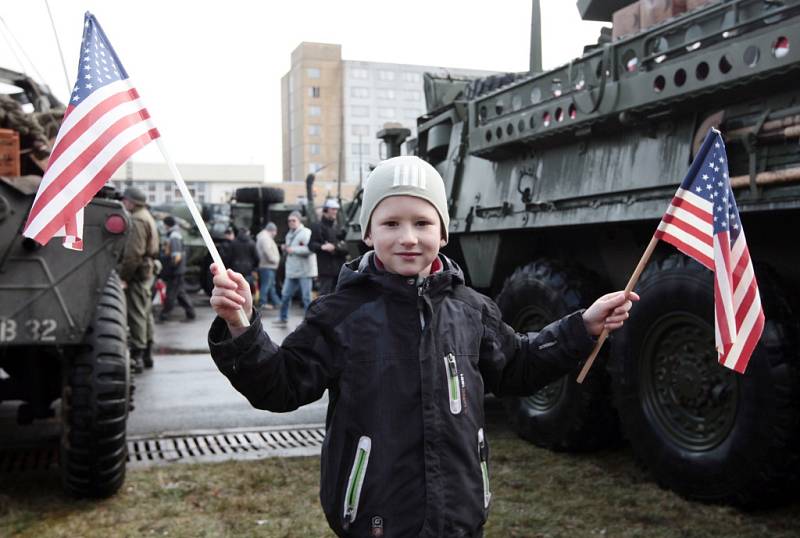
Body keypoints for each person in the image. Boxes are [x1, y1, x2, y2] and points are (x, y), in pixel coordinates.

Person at [207, 156, 638, 537]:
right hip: (374, 519)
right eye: (391, 223)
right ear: (369, 234)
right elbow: (280, 386)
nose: (408, 237)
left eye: (422, 222)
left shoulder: (472, 309)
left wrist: (581, 327)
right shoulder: (340, 314)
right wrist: (240, 327)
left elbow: (518, 366)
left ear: (444, 232)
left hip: (460, 516)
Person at [118, 187, 159, 373]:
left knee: (136, 314)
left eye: (125, 200)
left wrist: (123, 277)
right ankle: (147, 352)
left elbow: (133, 254)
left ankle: (138, 356)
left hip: (137, 273)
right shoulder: (146, 215)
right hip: (146, 271)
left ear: (131, 202)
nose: (123, 202)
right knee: (144, 311)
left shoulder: (137, 219)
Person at [273, 211, 317, 326]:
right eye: (289, 221)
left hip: (304, 271)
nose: (291, 223)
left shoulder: (306, 233)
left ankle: (310, 320)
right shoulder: (289, 234)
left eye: (293, 220)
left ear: (299, 221)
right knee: (285, 295)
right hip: (292, 271)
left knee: (306, 297)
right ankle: (283, 317)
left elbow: (310, 250)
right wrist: (286, 248)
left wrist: (293, 250)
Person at [159, 215, 196, 322]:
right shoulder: (175, 234)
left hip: (175, 271)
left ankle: (164, 314)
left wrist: (171, 269)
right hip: (177, 270)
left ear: (167, 224)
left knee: (171, 293)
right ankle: (190, 313)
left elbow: (176, 256)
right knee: (179, 292)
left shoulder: (174, 236)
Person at [309, 198, 349, 295]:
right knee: (325, 297)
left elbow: (347, 247)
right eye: (333, 209)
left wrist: (334, 247)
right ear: (326, 210)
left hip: (339, 269)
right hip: (326, 269)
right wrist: (322, 247)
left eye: (336, 209)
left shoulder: (339, 227)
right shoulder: (317, 227)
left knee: (338, 297)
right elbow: (311, 245)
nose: (335, 212)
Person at [255, 222, 282, 310]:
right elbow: (267, 252)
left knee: (270, 285)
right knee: (266, 285)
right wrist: (275, 260)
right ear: (272, 230)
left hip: (268, 266)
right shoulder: (265, 238)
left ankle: (277, 302)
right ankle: (263, 303)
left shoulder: (264, 237)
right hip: (267, 265)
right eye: (275, 231)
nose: (276, 233)